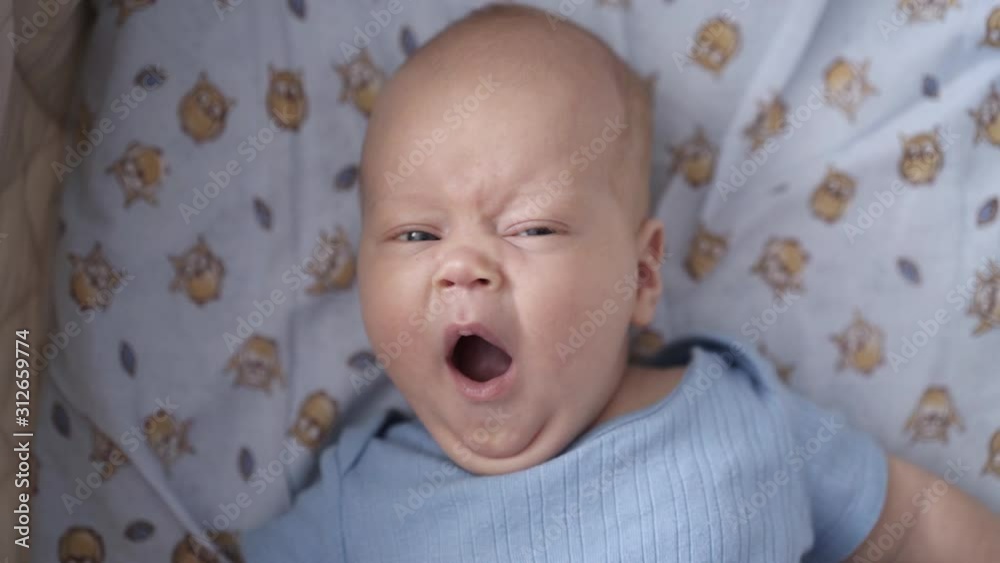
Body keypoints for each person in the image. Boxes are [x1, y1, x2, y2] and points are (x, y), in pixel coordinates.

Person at [242, 5, 1000, 561]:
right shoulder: (361, 500)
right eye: (415, 234)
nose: (460, 264)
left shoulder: (738, 410)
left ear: (641, 276)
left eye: (531, 227)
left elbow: (920, 526)